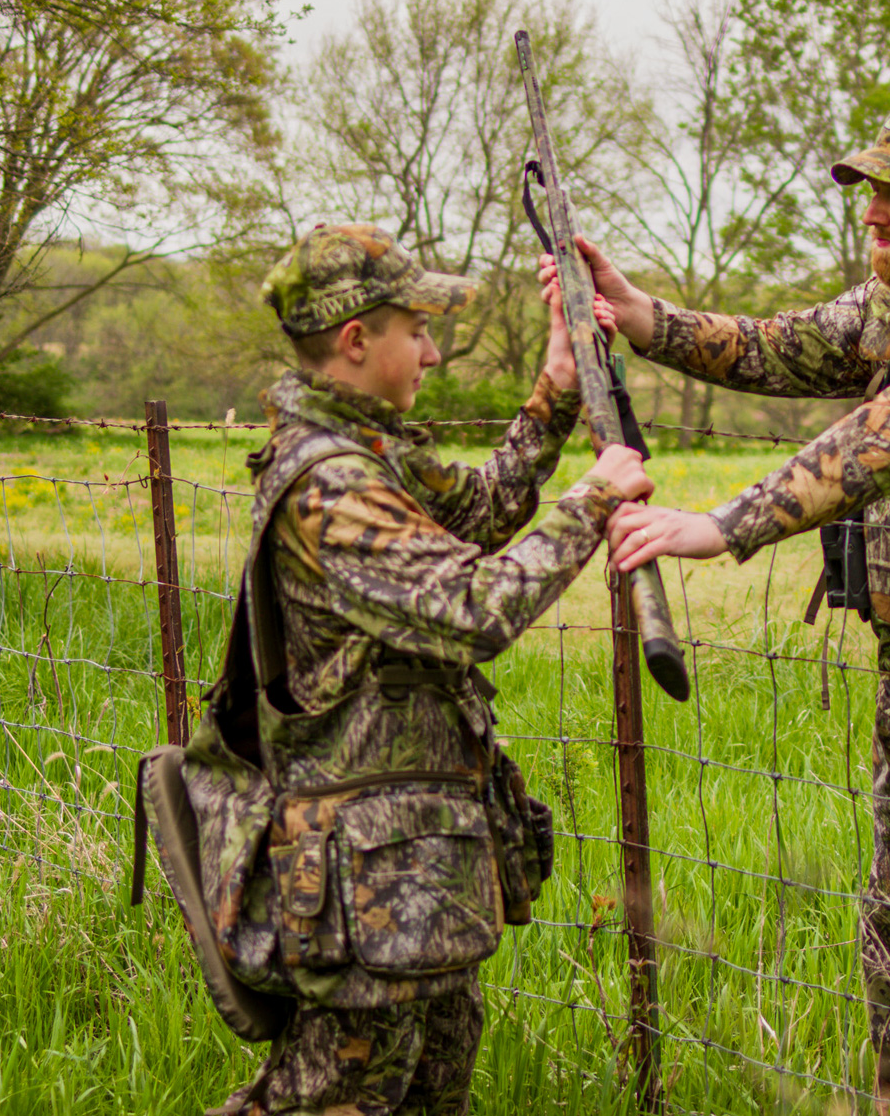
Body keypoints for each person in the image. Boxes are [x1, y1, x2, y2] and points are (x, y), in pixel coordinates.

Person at [561, 92, 890, 1116]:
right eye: (866, 189)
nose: (870, 211)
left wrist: (723, 523)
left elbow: (884, 436)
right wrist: (639, 316)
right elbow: (779, 344)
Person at [222, 222, 650, 1116]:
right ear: (355, 342)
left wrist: (558, 385)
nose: (433, 349)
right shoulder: (330, 485)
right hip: (360, 893)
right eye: (415, 329)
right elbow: (475, 608)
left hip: (415, 879)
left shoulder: (376, 454)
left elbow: (483, 510)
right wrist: (595, 501)